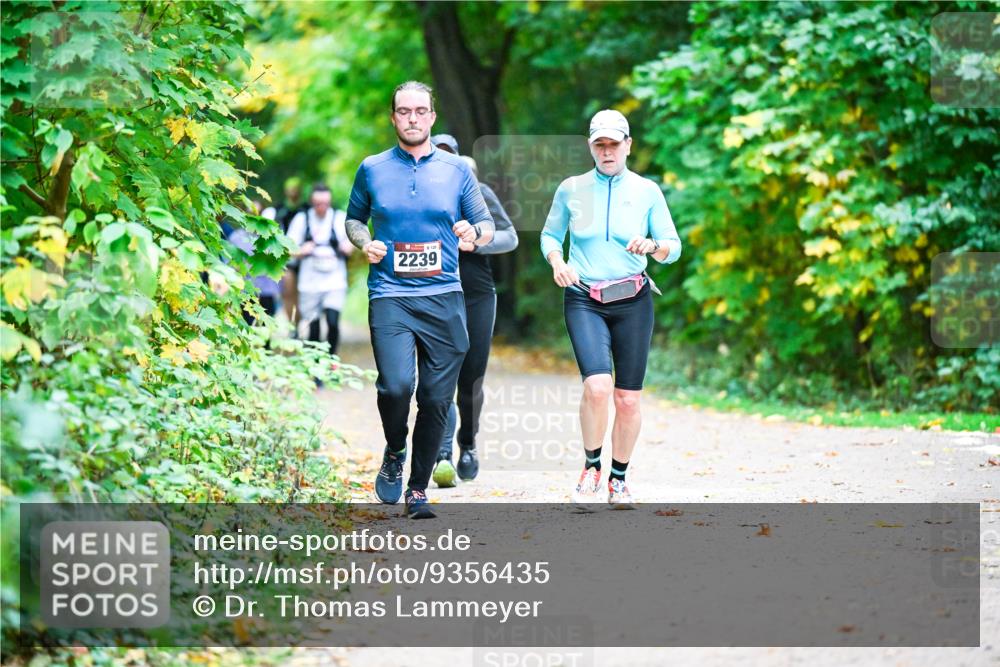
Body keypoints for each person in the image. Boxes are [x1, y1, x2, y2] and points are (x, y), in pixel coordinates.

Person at [344, 81, 495, 519]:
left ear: (431, 117)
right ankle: (395, 447)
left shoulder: (456, 171)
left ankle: (417, 489)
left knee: (434, 400)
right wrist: (363, 241)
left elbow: (484, 224)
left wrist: (473, 233)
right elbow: (354, 219)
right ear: (393, 118)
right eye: (404, 111)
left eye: (420, 111)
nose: (412, 118)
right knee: (395, 386)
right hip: (390, 293)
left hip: (444, 296)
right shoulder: (372, 168)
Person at [540, 109, 681, 509]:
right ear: (590, 146)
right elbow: (550, 235)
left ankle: (619, 477)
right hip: (584, 296)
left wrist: (653, 246)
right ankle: (591, 467)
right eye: (599, 144)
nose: (607, 151)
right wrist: (558, 262)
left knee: (628, 399)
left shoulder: (647, 191)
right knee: (597, 387)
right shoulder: (571, 189)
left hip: (632, 300)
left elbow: (674, 245)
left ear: (628, 146)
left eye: (614, 144)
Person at [427, 134, 518, 488]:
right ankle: (441, 454)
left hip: (477, 295)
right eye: (439, 154)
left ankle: (468, 442)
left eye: (451, 154)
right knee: (439, 377)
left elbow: (510, 235)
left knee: (471, 379)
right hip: (433, 294)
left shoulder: (476, 191)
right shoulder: (416, 193)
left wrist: (479, 242)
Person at [286, 183, 353, 358]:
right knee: (313, 327)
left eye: (325, 203)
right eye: (318, 204)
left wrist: (346, 248)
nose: (321, 207)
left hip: (335, 280)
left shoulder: (339, 218)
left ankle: (331, 360)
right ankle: (316, 366)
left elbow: (351, 244)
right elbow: (287, 248)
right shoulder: (302, 219)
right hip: (310, 282)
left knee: (332, 321)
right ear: (311, 202)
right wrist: (302, 250)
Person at [276, 178, 306, 328]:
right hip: (287, 259)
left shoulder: (306, 210)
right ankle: (293, 324)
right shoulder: (279, 210)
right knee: (288, 293)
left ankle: (302, 323)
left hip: (307, 258)